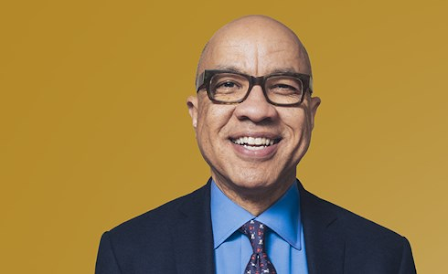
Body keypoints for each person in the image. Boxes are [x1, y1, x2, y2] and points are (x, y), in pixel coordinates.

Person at [95, 15, 416, 274]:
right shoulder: (128, 255)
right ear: (196, 112)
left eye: (284, 86)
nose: (257, 110)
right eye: (229, 84)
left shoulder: (385, 258)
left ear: (311, 113)